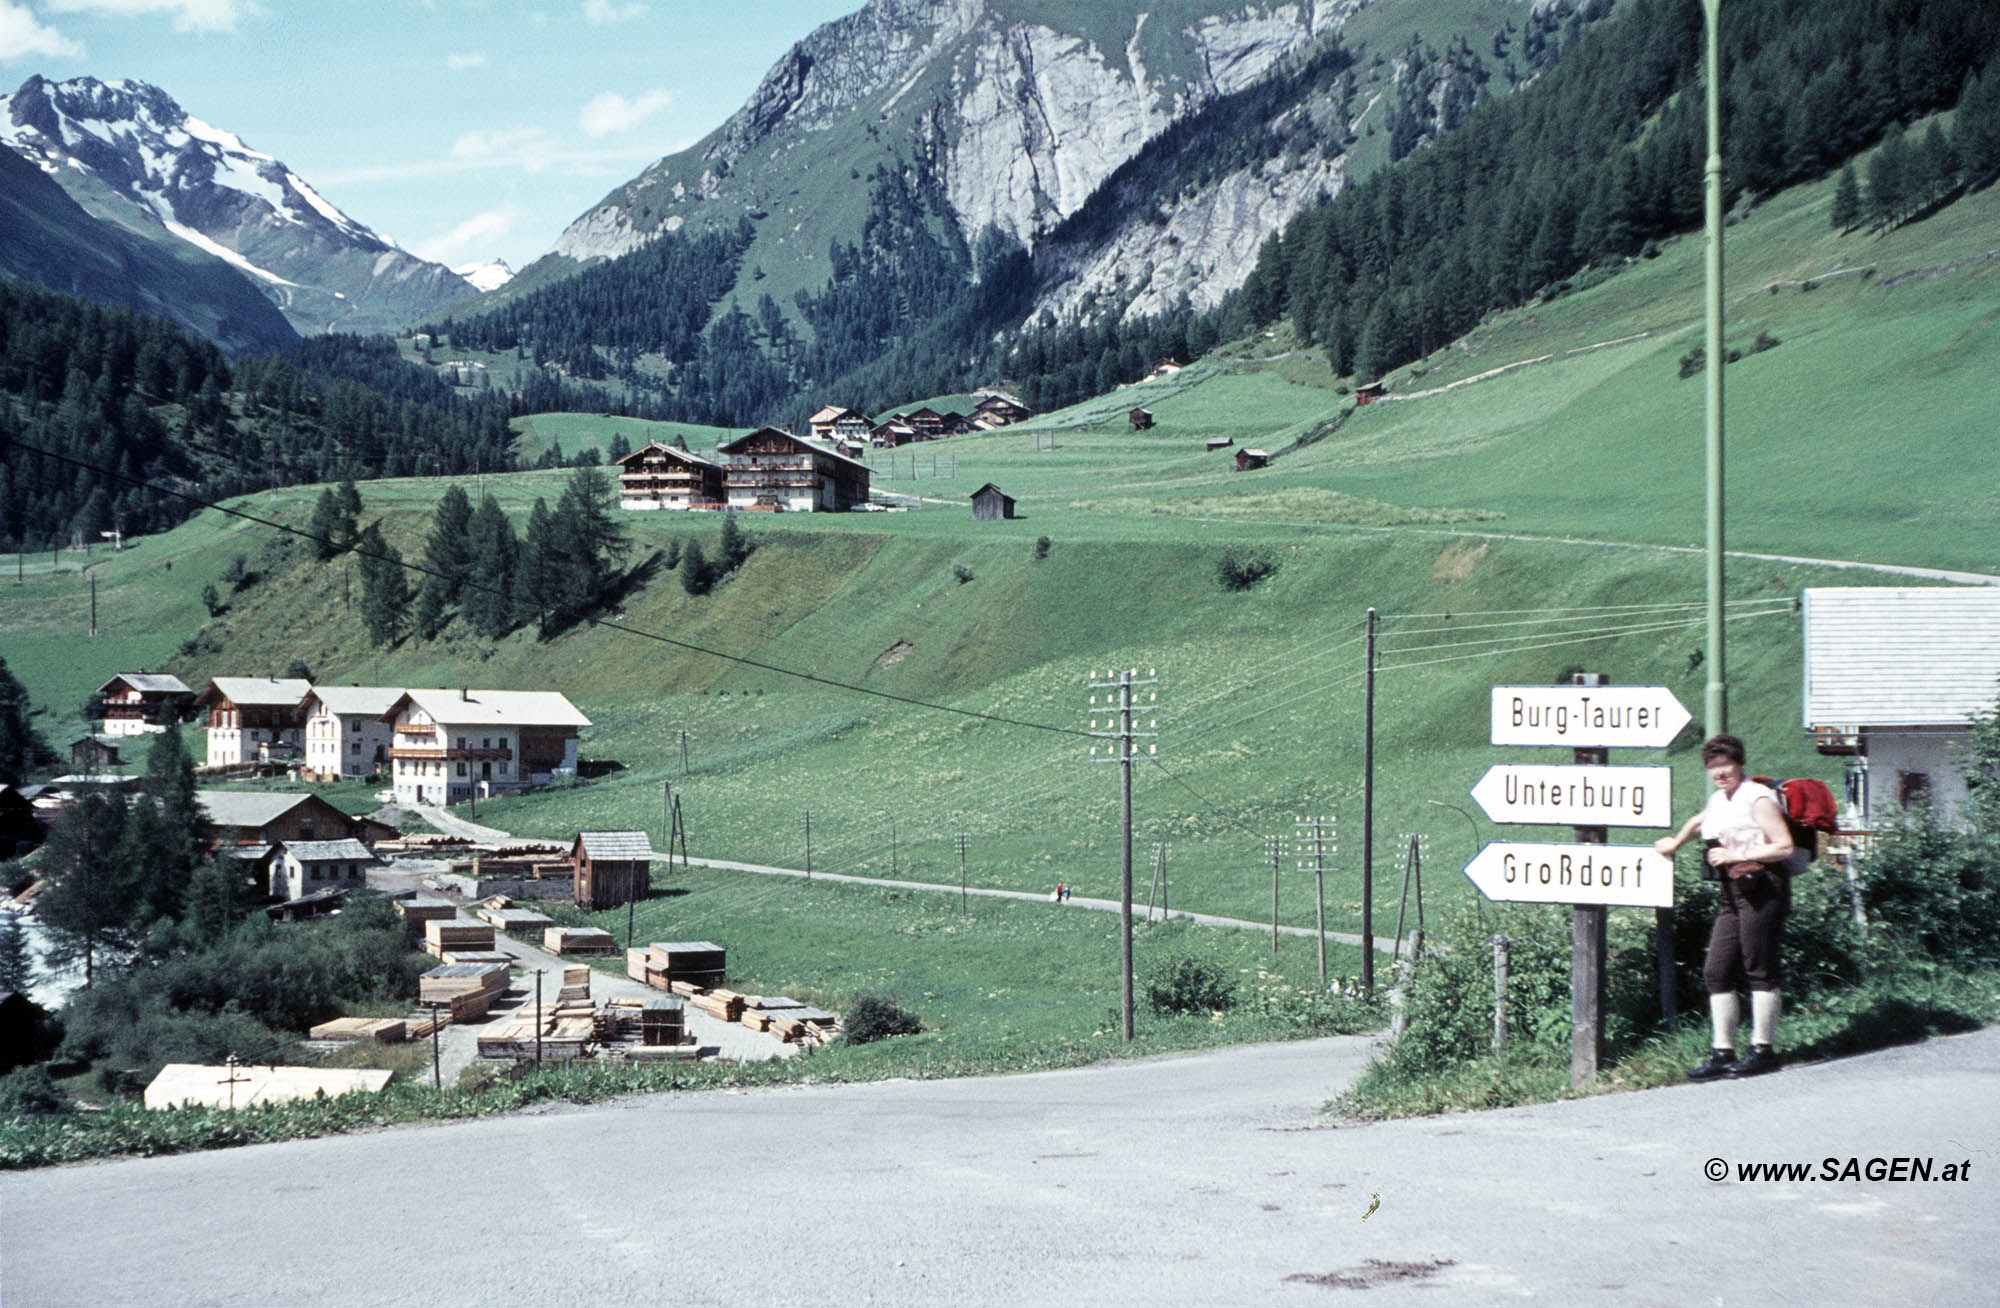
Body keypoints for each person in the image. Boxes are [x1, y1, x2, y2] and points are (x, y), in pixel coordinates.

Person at [1654, 733, 1795, 1080]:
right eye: (1713, 767)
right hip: (1732, 890)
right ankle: (1723, 1052)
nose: (1720, 773)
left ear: (1739, 764)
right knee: (1715, 970)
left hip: (1764, 886)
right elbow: (1700, 821)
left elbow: (1784, 846)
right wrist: (1675, 842)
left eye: (1725, 765)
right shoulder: (1721, 800)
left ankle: (1762, 1050)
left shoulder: (1757, 798)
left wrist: (1738, 854)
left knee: (1758, 967)